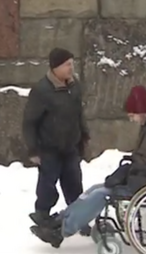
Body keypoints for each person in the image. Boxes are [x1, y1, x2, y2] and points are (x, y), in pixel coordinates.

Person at [29, 85, 146, 248]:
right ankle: (59, 221)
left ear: (141, 110)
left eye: (132, 115)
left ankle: (62, 231)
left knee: (101, 195)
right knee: (95, 189)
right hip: (140, 175)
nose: (131, 119)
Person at [23, 47, 91, 236]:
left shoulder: (74, 86)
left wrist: (84, 135)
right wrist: (33, 150)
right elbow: (29, 122)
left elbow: (78, 113)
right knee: (47, 186)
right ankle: (43, 217)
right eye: (67, 64)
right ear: (56, 67)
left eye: (72, 64)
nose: (71, 68)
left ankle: (80, 218)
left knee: (75, 185)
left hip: (70, 147)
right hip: (49, 149)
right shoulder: (42, 90)